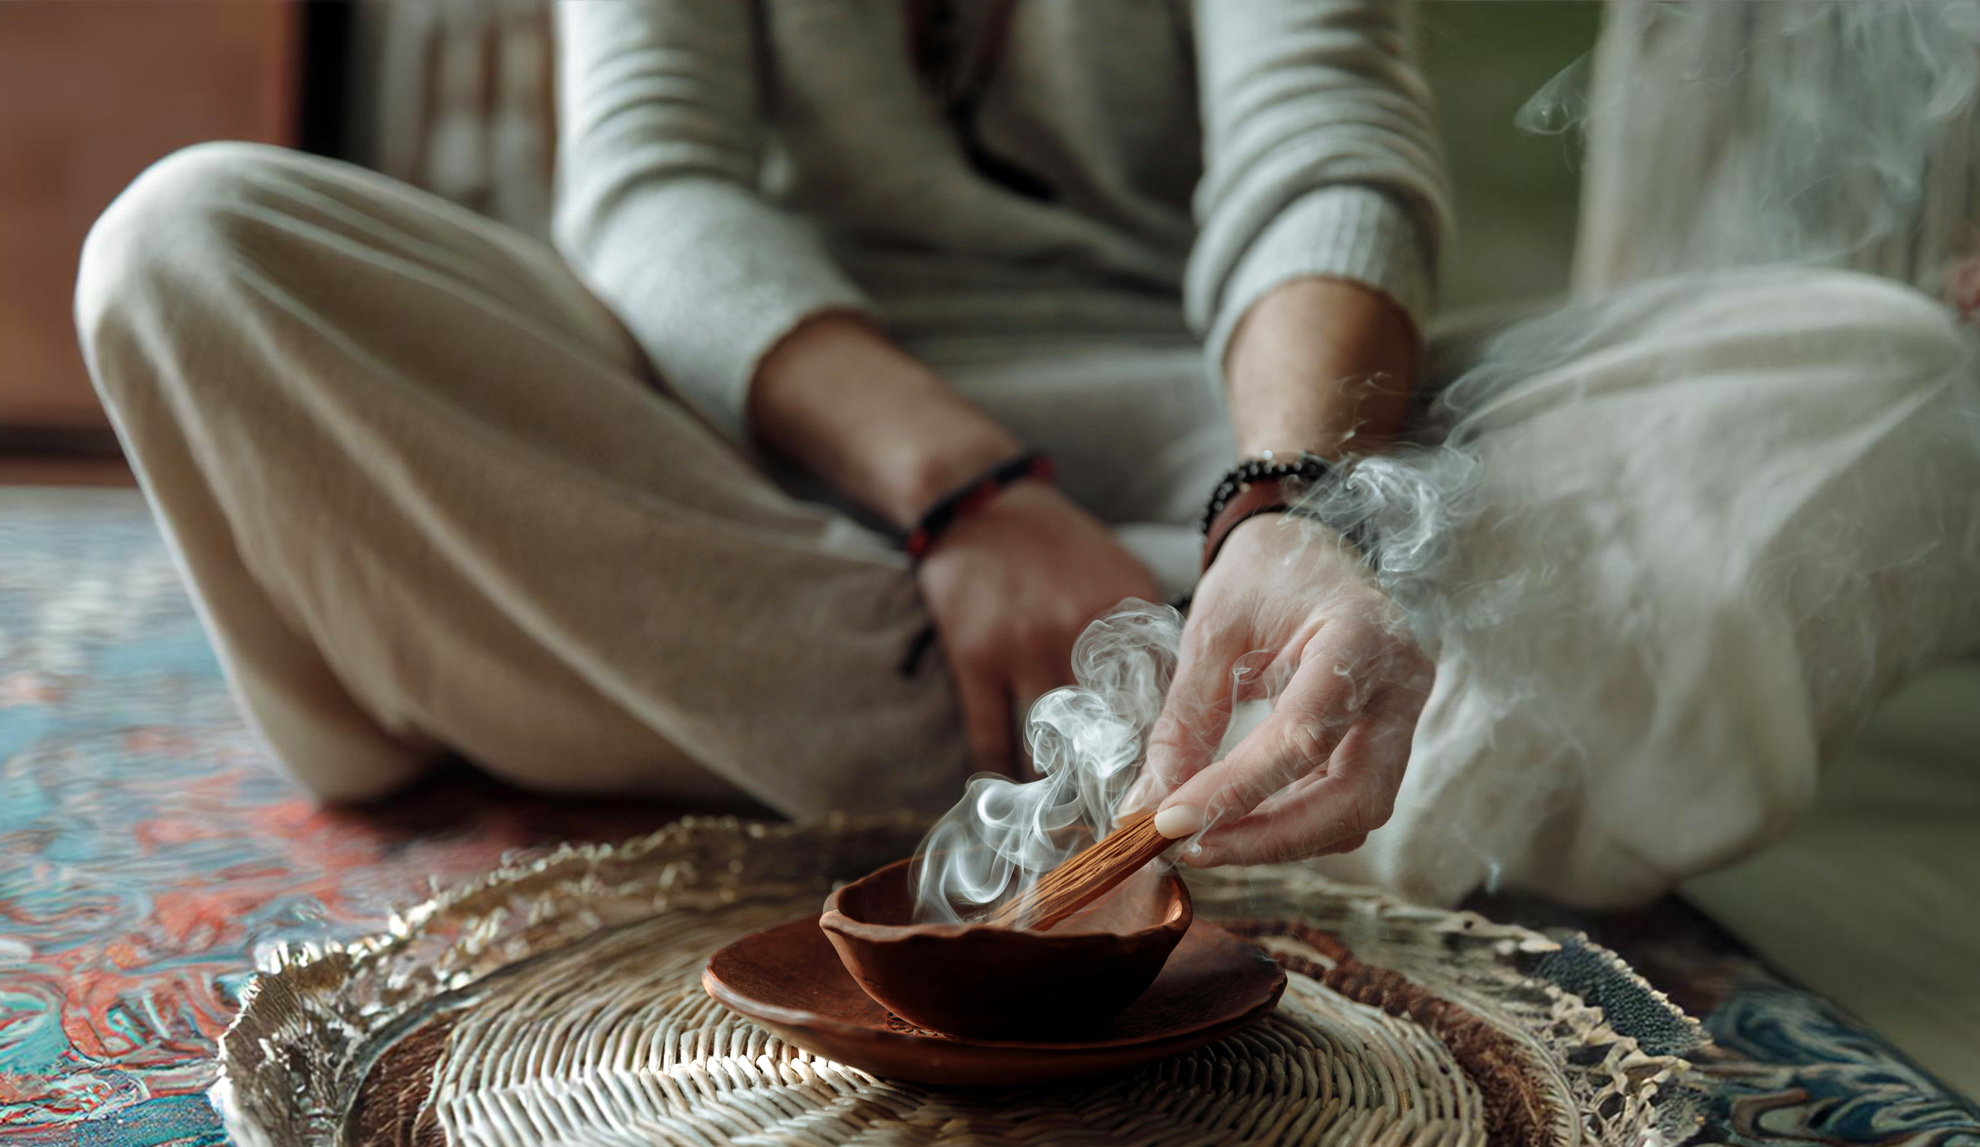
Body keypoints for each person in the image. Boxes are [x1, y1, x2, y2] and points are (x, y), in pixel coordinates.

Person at [77, 0, 1980, 909]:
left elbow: (1321, 145)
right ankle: (1283, 756)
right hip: (777, 440)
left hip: (1205, 426)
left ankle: (1204, 692)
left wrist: (1291, 515)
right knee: (193, 250)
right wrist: (971, 499)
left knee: (1877, 371)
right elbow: (652, 201)